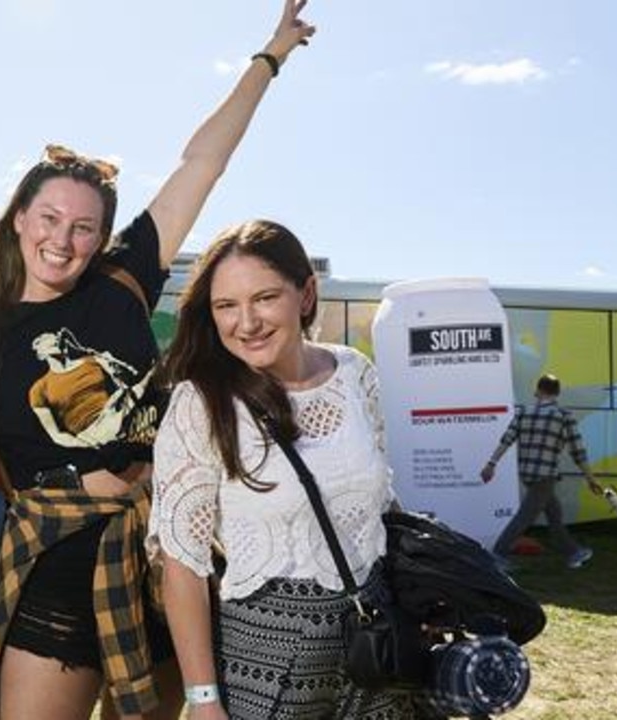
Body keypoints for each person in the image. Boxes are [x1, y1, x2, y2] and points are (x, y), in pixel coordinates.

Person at [0, 4, 316, 718]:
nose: (64, 241)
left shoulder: (122, 279)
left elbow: (204, 162)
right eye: (49, 220)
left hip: (170, 556)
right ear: (18, 218)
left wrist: (270, 58)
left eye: (85, 228)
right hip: (57, 571)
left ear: (104, 236)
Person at [148, 220, 417, 719]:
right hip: (267, 657)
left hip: (374, 639)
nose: (246, 322)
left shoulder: (355, 372)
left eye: (265, 297)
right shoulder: (201, 402)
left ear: (306, 293)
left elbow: (382, 501)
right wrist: (203, 700)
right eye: (226, 306)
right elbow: (183, 564)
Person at [480, 373, 603, 570]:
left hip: (527, 475)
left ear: (538, 390)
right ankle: (497, 555)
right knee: (525, 518)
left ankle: (573, 552)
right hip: (545, 476)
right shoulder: (564, 416)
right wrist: (591, 478)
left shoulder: (523, 412)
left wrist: (491, 464)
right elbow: (577, 452)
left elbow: (506, 440)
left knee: (554, 513)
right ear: (557, 393)